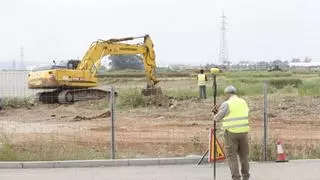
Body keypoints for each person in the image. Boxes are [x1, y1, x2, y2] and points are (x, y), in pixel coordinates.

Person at [212, 85, 250, 180]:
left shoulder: (227, 104)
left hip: (231, 133)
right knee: (244, 156)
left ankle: (236, 178)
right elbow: (246, 114)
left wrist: (215, 113)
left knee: (232, 157)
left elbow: (217, 118)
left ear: (227, 93)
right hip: (244, 133)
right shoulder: (243, 102)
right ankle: (246, 176)